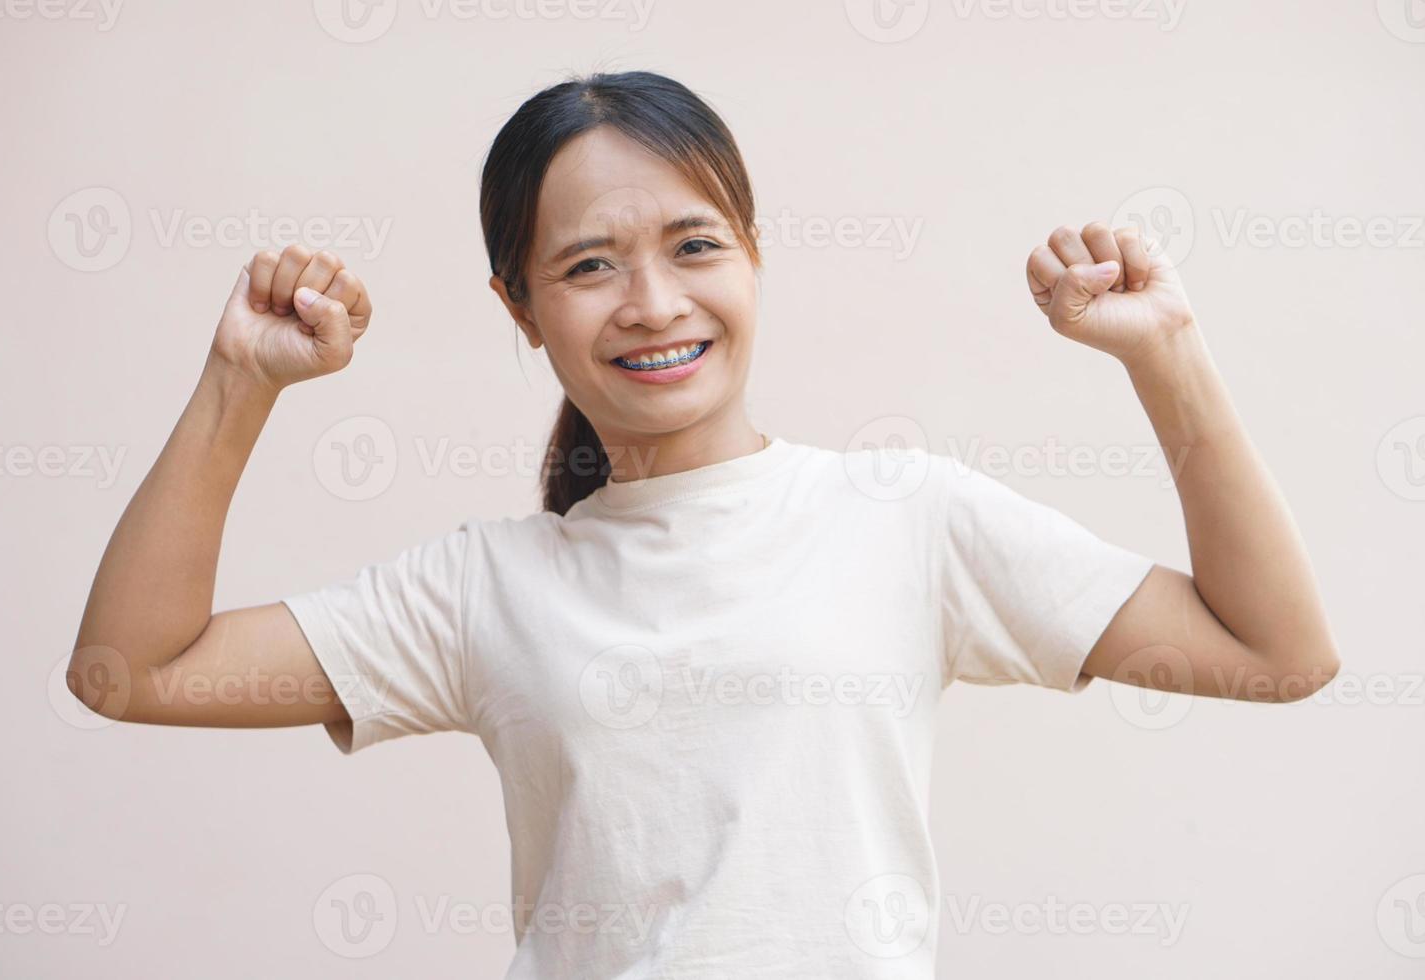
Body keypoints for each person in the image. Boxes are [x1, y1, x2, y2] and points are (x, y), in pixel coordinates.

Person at [67, 70, 1341, 977]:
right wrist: (243, 380)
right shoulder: (484, 585)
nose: (651, 301)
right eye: (587, 266)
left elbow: (1278, 651)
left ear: (754, 257)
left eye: (695, 244)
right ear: (521, 309)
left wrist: (1165, 350)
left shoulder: (905, 518)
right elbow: (132, 669)